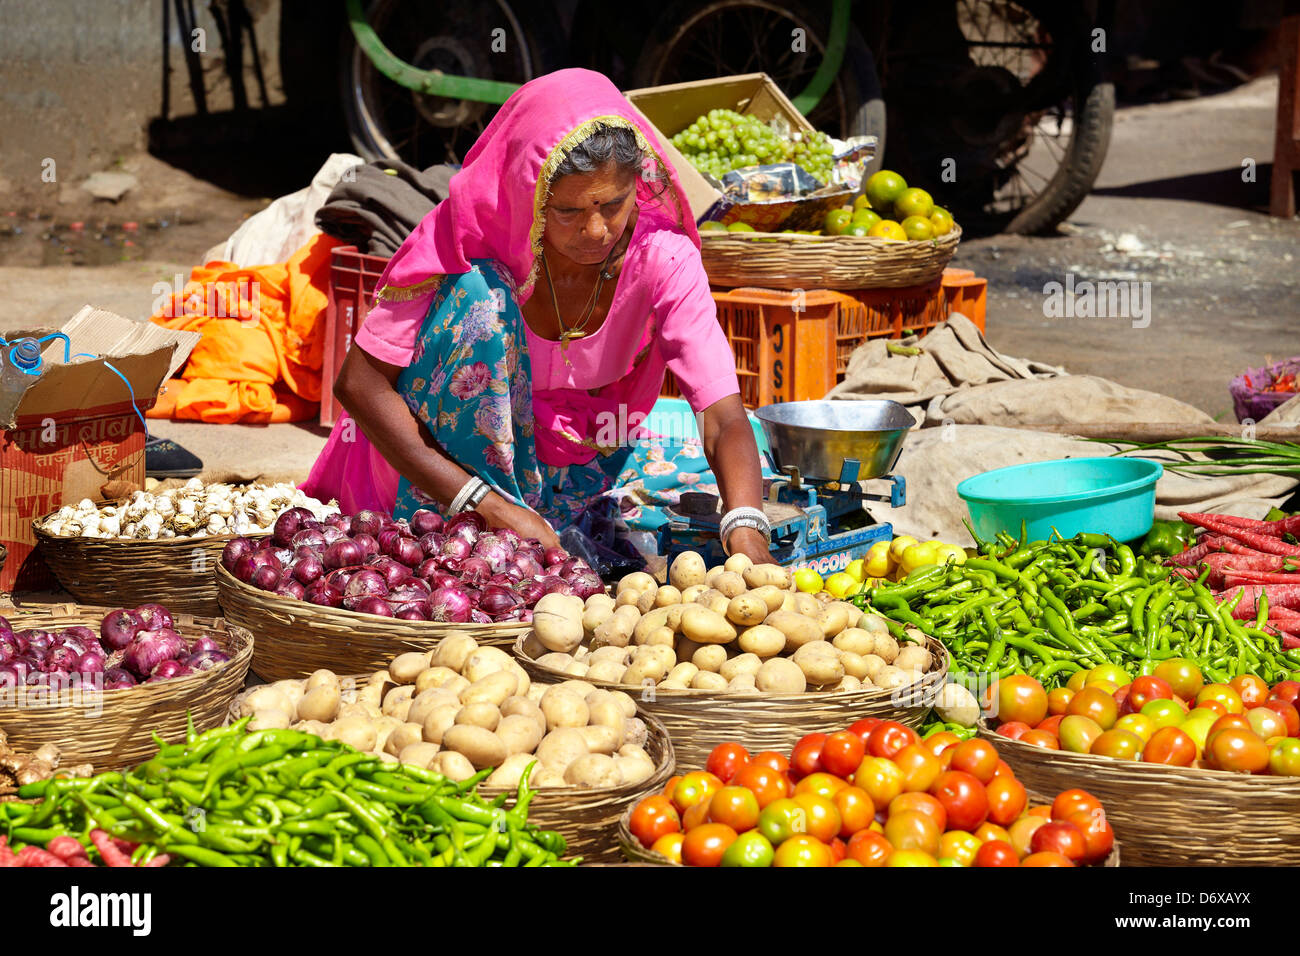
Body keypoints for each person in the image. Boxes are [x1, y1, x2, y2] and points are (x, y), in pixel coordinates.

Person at [301, 69, 773, 565]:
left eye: (613, 204)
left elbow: (720, 414)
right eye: (567, 211)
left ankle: (541, 519)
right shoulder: (466, 245)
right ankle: (464, 534)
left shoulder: (662, 258)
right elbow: (359, 383)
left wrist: (746, 534)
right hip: (438, 476)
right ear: (529, 193)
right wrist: (484, 506)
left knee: (733, 456)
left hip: (570, 460)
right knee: (480, 297)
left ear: (640, 184)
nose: (596, 231)